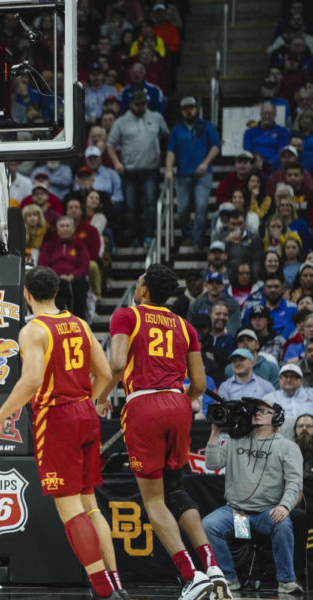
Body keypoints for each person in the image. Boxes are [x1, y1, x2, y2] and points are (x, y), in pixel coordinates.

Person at [0, 267, 123, 600]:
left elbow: (32, 380)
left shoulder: (33, 330)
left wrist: (1, 416)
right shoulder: (80, 323)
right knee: (90, 505)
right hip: (85, 414)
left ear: (27, 295)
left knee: (70, 510)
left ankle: (104, 591)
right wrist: (91, 402)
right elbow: (105, 373)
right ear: (56, 292)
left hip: (57, 417)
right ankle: (117, 584)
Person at [101, 264, 224, 600]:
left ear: (142, 291)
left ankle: (191, 575)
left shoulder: (127, 315)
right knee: (176, 490)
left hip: (144, 405)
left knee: (153, 500)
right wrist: (178, 404)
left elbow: (115, 364)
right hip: (179, 405)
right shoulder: (185, 326)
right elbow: (198, 384)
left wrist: (100, 397)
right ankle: (213, 567)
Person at [202, 398, 304, 594]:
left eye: (264, 411)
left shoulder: (288, 447)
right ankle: (228, 578)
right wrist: (215, 433)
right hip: (236, 513)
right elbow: (212, 464)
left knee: (282, 525)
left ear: (277, 418)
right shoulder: (235, 439)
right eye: (256, 410)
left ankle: (286, 580)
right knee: (208, 525)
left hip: (266, 512)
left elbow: (294, 483)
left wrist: (284, 506)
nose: (257, 413)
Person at [107, 89, 170, 247]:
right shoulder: (121, 121)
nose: (141, 107)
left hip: (151, 168)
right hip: (130, 170)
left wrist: (158, 151)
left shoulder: (156, 117)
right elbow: (110, 144)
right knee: (132, 205)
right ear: (130, 105)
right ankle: (135, 236)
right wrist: (116, 162)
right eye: (137, 105)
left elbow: (166, 135)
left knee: (150, 203)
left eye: (143, 104)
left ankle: (149, 235)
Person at [166, 96, 221, 252]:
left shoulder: (207, 126)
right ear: (182, 111)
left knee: (201, 207)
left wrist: (205, 163)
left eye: (191, 107)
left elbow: (216, 146)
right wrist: (169, 169)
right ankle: (187, 235)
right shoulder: (176, 130)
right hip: (183, 174)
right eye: (185, 108)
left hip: (203, 174)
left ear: (196, 109)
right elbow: (171, 151)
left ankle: (197, 242)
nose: (188, 111)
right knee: (182, 209)